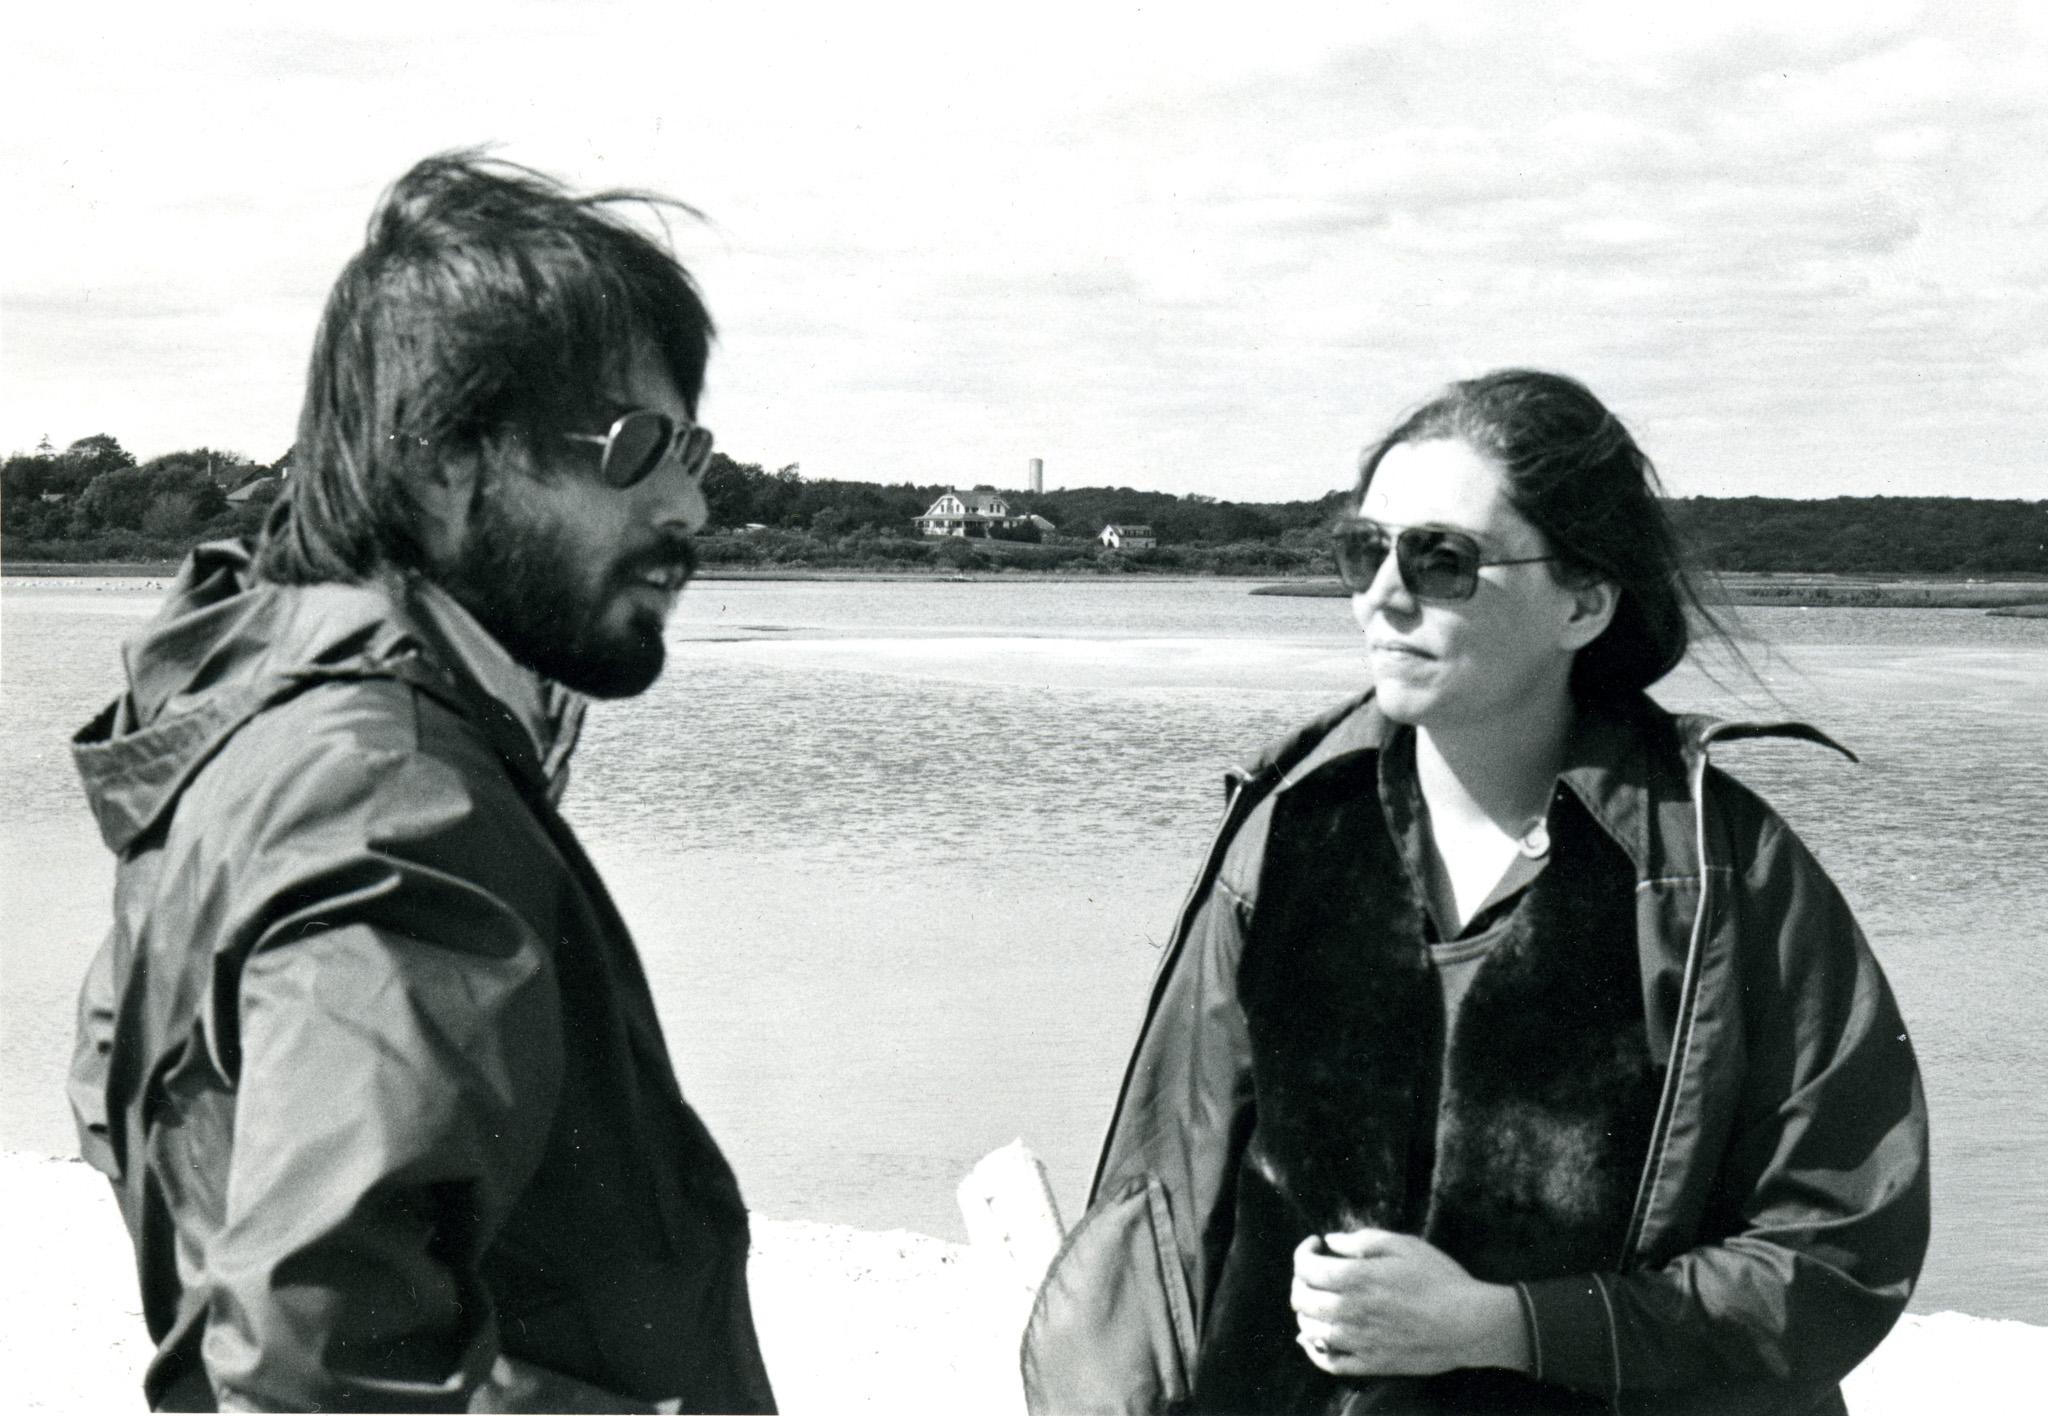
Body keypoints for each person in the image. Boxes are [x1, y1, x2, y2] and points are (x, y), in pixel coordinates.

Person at [1022, 370, 1929, 1415]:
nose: (1381, 594)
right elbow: (1165, 1214)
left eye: (1439, 559)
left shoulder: (1719, 878)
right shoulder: (1285, 832)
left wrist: (1504, 1325)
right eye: (1363, 550)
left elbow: (1832, 1256)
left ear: (1582, 602)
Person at [67, 152, 776, 1413]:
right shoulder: (388, 796)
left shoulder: (257, 739)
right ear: (448, 468)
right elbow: (313, 1365)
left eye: (693, 447)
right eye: (633, 448)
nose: (689, 503)